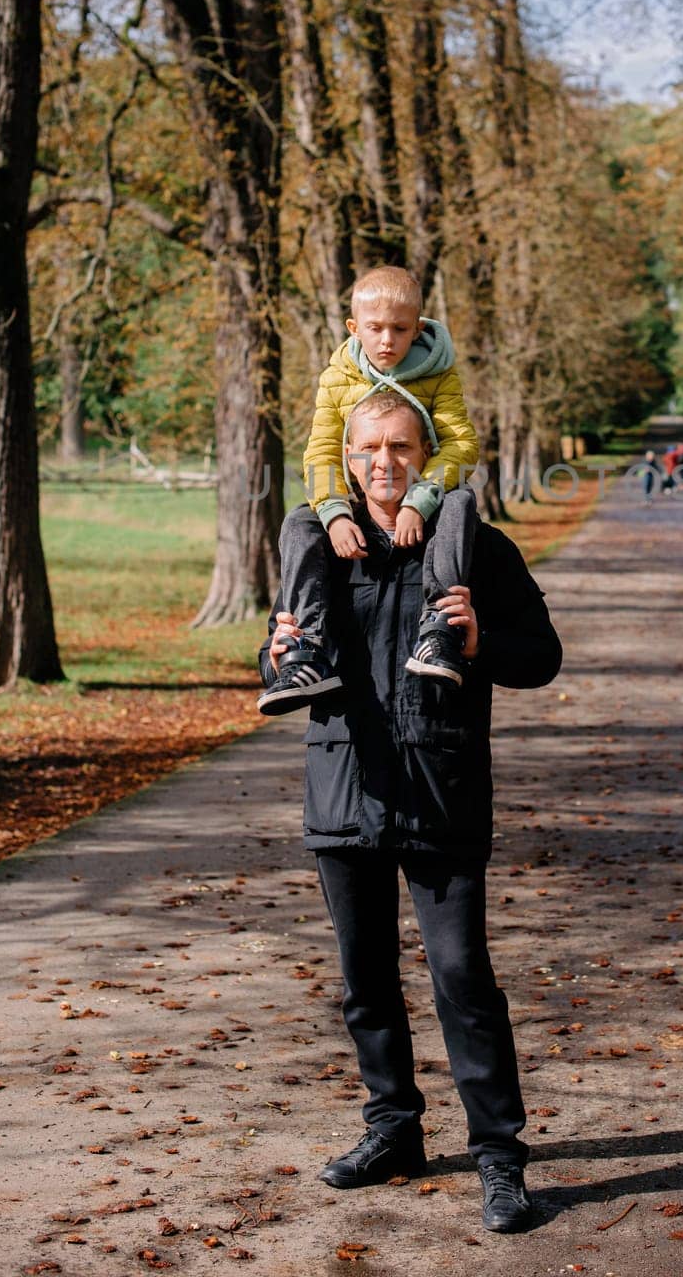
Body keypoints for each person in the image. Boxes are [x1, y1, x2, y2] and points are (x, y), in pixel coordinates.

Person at [258, 393, 562, 1235]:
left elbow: (542, 655)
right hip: (343, 787)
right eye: (367, 449)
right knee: (366, 984)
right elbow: (278, 646)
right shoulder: (322, 546)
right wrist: (276, 649)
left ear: (427, 455)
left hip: (441, 792)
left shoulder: (476, 548)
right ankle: (393, 1130)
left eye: (400, 447)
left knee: (462, 978)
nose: (383, 464)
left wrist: (477, 643)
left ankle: (500, 1159)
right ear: (345, 457)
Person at [259, 266, 480, 716]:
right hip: (356, 500)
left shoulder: (439, 375)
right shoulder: (336, 379)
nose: (386, 341)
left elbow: (461, 444)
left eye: (400, 330)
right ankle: (308, 646)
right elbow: (320, 452)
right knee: (300, 521)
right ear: (354, 328)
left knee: (461, 501)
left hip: (425, 494)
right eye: (375, 329)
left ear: (418, 327)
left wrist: (420, 500)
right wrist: (335, 513)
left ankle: (439, 629)